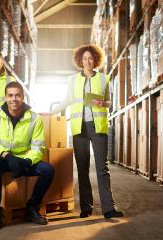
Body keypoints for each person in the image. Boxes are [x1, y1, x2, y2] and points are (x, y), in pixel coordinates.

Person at [48, 45, 123, 219]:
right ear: (80, 61)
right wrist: (51, 112)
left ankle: (108, 208)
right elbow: (66, 100)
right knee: (82, 168)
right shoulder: (72, 80)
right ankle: (86, 207)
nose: (87, 61)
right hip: (78, 127)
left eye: (90, 58)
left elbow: (109, 102)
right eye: (84, 59)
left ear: (95, 60)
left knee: (101, 168)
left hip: (97, 127)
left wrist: (103, 104)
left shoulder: (104, 79)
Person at [0, 81, 54, 230]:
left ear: (23, 97)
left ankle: (32, 207)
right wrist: (6, 155)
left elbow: (38, 147)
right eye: (10, 95)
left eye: (17, 95)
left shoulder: (35, 118)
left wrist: (27, 161)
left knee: (48, 170)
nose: (14, 99)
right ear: (6, 97)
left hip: (21, 159)